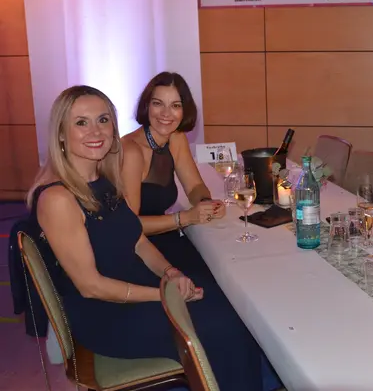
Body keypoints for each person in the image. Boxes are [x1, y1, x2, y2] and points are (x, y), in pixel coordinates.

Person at [27, 85, 263, 390]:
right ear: (61, 134)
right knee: (225, 327)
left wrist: (170, 272)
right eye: (81, 122)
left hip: (137, 287)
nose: (95, 131)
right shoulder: (58, 198)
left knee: (234, 306)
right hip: (108, 316)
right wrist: (165, 295)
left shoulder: (104, 181)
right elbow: (91, 286)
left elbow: (137, 241)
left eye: (103, 120)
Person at [121, 72, 224, 280]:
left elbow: (194, 187)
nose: (166, 114)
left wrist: (206, 203)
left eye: (175, 105)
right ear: (146, 106)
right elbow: (127, 227)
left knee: (218, 272)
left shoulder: (175, 138)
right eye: (158, 103)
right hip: (134, 250)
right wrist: (185, 217)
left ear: (185, 110)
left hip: (164, 237)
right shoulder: (131, 151)